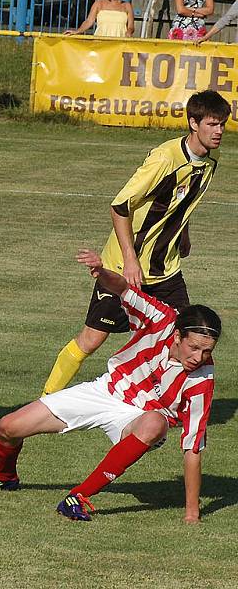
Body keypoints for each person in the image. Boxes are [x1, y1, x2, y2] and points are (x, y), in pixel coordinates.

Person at [0, 249, 220, 524]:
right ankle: (4, 477)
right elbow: (123, 289)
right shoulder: (162, 320)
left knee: (155, 424)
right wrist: (101, 271)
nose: (199, 358)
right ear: (178, 336)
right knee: (8, 427)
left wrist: (192, 513)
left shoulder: (201, 380)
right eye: (194, 348)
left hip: (138, 418)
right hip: (105, 391)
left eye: (207, 351)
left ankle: (79, 497)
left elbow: (192, 447)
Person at [42, 90, 229, 397]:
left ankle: (177, 405)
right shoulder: (165, 159)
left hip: (166, 270)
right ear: (194, 123)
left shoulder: (212, 158)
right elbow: (119, 207)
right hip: (123, 267)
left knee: (190, 336)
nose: (219, 131)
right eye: (212, 124)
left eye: (222, 124)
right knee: (92, 339)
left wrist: (183, 233)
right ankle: (47, 399)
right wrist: (130, 260)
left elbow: (183, 200)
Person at [64, 0, 135, 37]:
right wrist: (77, 31)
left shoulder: (127, 6)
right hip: (101, 44)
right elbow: (89, 21)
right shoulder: (99, 3)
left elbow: (131, 26)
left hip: (120, 45)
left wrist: (129, 32)